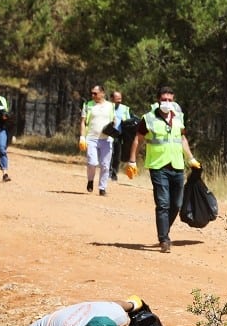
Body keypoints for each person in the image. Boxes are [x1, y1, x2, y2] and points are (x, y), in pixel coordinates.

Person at [127, 85, 199, 253]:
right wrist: (132, 161)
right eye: (164, 100)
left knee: (176, 203)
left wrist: (191, 158)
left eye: (170, 100)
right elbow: (138, 140)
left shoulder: (178, 117)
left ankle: (165, 230)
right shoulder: (148, 119)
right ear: (158, 100)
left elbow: (182, 139)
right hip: (158, 166)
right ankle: (164, 239)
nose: (167, 102)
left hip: (177, 166)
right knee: (163, 203)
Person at [81, 84, 116, 195]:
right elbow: (82, 122)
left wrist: (114, 128)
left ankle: (102, 188)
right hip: (91, 138)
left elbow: (114, 120)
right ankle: (90, 180)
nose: (93, 95)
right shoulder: (88, 105)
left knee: (105, 165)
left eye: (95, 93)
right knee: (92, 162)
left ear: (102, 93)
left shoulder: (111, 106)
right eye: (92, 93)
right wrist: (82, 137)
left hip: (106, 139)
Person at [106, 90, 136, 184]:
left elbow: (128, 121)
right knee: (108, 155)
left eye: (120, 98)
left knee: (117, 156)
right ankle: (108, 173)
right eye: (117, 98)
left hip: (119, 135)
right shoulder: (106, 107)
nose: (119, 100)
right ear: (112, 98)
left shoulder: (125, 108)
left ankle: (114, 174)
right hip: (108, 134)